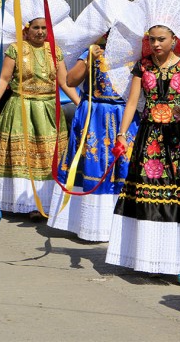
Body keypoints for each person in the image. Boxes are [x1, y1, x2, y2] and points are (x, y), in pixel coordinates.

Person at [106, 25, 180, 285]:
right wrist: (121, 134)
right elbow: (132, 102)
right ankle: (152, 258)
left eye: (161, 39)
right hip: (151, 138)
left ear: (174, 39)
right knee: (152, 197)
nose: (156, 44)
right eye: (152, 39)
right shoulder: (143, 66)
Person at [48, 36, 137, 242]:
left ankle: (122, 226)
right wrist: (88, 59)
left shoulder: (137, 54)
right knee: (94, 164)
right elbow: (70, 81)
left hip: (125, 115)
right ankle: (92, 225)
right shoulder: (94, 51)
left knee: (123, 166)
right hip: (95, 114)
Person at [0, 17, 79, 219]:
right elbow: (4, 79)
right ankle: (26, 203)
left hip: (48, 109)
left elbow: (64, 82)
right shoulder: (15, 49)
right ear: (27, 30)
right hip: (21, 108)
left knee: (47, 155)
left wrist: (81, 105)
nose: (40, 32)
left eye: (44, 28)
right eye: (36, 28)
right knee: (26, 156)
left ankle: (47, 203)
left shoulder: (54, 51)